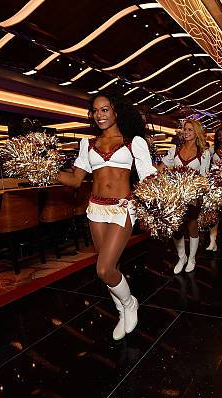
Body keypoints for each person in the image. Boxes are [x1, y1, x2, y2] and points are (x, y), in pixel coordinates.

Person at [57, 91, 157, 340]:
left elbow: (147, 177)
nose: (99, 115)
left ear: (115, 111)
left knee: (103, 269)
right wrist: (45, 171)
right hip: (95, 209)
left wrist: (161, 194)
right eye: (95, 110)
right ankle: (122, 311)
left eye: (104, 109)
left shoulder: (134, 142)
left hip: (123, 207)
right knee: (112, 266)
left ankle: (130, 302)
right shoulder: (87, 144)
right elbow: (75, 180)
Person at [161, 119, 211, 274]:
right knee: (176, 228)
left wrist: (200, 196)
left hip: (193, 196)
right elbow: (162, 168)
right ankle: (181, 257)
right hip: (175, 195)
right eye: (185, 129)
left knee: (192, 226)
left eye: (190, 129)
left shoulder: (204, 152)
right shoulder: (174, 149)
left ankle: (192, 258)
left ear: (196, 132)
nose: (187, 132)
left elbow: (204, 177)